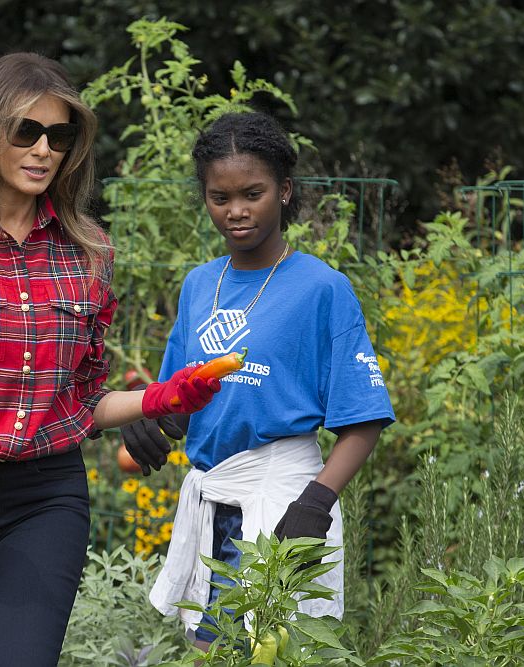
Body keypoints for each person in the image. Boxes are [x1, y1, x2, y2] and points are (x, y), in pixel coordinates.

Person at [0, 52, 221, 667]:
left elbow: (82, 402)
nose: (43, 150)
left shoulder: (88, 250)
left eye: (58, 136)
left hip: (44, 494)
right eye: (25, 131)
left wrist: (162, 397)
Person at [120, 111, 395, 646]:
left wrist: (317, 501)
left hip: (279, 506)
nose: (236, 211)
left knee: (248, 650)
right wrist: (149, 421)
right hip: (211, 501)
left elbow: (364, 419)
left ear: (285, 191)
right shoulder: (201, 285)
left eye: (253, 193)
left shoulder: (322, 288)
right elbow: (179, 400)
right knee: (220, 649)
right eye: (219, 198)